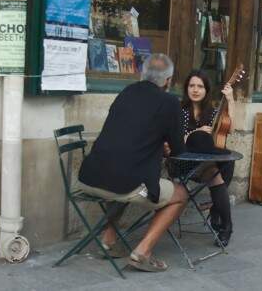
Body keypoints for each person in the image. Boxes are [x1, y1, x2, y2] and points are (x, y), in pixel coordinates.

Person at [78, 53, 187, 272]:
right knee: (181, 195)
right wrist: (164, 146)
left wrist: (156, 145)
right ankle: (142, 252)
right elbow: (178, 150)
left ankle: (108, 240)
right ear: (168, 80)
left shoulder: (126, 92)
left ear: (141, 75)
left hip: (89, 176)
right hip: (124, 182)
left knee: (123, 172)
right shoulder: (169, 102)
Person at [172, 70, 236, 246]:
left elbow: (229, 129)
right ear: (187, 88)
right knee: (216, 170)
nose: (195, 90)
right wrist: (196, 132)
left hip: (206, 164)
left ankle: (220, 215)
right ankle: (224, 223)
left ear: (206, 90)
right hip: (183, 162)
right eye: (192, 85)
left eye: (200, 86)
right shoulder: (179, 110)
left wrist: (230, 99)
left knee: (227, 162)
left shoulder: (212, 112)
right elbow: (175, 142)